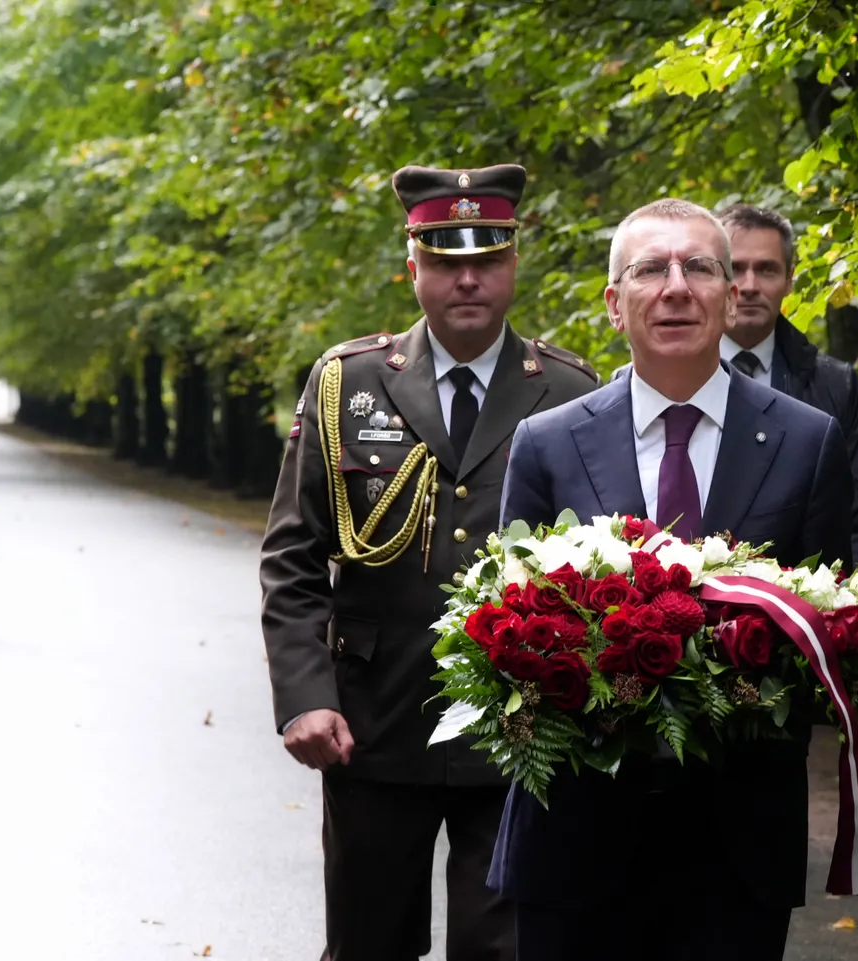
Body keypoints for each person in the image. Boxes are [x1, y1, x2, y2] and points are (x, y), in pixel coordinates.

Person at [491, 198, 853, 960]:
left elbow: (827, 638)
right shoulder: (546, 443)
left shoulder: (809, 441)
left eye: (700, 267)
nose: (677, 286)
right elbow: (507, 635)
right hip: (574, 838)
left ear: (731, 295)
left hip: (737, 845)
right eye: (651, 268)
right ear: (615, 304)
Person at [259, 163, 600, 961]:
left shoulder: (570, 392)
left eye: (487, 258)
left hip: (521, 731)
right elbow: (293, 555)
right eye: (446, 260)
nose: (468, 278)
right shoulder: (349, 383)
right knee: (368, 946)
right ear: (414, 265)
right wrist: (304, 697)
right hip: (372, 727)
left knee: (507, 951)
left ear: (516, 262)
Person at [715, 203, 858, 573]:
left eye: (767, 269)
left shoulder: (834, 385)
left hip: (803, 615)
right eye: (736, 268)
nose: (749, 286)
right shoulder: (665, 377)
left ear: (789, 281)